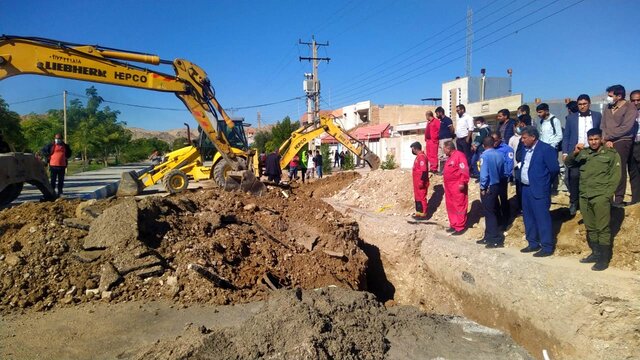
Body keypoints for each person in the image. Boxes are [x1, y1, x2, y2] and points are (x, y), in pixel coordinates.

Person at [564, 128, 620, 271]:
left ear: (601, 139)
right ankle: (596, 253)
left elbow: (616, 176)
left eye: (596, 139)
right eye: (591, 139)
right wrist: (575, 152)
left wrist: (608, 194)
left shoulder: (610, 154)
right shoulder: (584, 153)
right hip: (585, 196)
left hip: (601, 196)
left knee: (602, 228)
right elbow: (569, 163)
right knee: (591, 227)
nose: (593, 142)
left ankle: (604, 259)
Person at [519, 127, 560, 257]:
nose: (522, 140)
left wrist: (545, 182)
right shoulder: (526, 149)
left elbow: (554, 169)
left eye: (524, 138)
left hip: (539, 188)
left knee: (542, 218)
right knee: (528, 216)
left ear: (533, 137)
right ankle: (532, 243)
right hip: (526, 188)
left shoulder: (546, 149)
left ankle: (547, 246)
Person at [561, 94, 602, 215]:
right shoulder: (571, 118)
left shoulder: (597, 116)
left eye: (584, 104)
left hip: (593, 151)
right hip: (577, 152)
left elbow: (601, 132)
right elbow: (567, 136)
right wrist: (565, 153)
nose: (582, 106)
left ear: (589, 104)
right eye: (580, 104)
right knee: (574, 176)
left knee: (592, 177)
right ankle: (574, 201)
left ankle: (591, 202)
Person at [602, 84, 638, 207]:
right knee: (608, 170)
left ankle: (619, 198)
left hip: (623, 140)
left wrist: (609, 137)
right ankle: (608, 197)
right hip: (607, 141)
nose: (608, 98)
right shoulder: (607, 107)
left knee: (619, 168)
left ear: (619, 96)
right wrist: (605, 139)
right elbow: (603, 125)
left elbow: (626, 127)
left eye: (610, 95)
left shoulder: (630, 107)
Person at [478, 136, 504, 248]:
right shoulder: (499, 154)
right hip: (497, 184)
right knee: (492, 211)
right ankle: (488, 236)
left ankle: (494, 239)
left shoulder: (484, 156)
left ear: (484, 146)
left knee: (489, 212)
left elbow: (484, 174)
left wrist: (483, 187)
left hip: (488, 186)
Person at [442, 140, 469, 235]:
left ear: (448, 148)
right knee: (450, 205)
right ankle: (453, 224)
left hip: (457, 185)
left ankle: (460, 226)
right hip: (449, 186)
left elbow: (464, 169)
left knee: (459, 205)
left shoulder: (459, 156)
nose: (443, 150)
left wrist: (462, 182)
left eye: (444, 148)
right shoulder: (450, 157)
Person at [491, 131, 514, 228]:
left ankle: (506, 220)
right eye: (493, 141)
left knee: (503, 198)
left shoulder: (507, 149)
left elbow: (510, 163)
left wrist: (507, 175)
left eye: (496, 141)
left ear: (500, 139)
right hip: (493, 178)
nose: (494, 143)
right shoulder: (491, 148)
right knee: (494, 199)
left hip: (502, 178)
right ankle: (498, 220)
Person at [627, 90, 640, 204]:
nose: (636, 102)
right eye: (633, 100)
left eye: (638, 100)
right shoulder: (627, 113)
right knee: (633, 173)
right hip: (631, 146)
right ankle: (636, 201)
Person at [410, 142, 429, 220]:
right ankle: (418, 213)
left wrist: (421, 181)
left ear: (415, 148)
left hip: (421, 181)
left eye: (412, 149)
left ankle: (424, 214)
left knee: (421, 197)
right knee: (417, 198)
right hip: (416, 182)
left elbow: (424, 171)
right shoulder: (418, 157)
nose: (412, 150)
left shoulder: (421, 157)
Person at [436, 106, 455, 172]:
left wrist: (451, 136)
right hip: (441, 140)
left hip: (446, 139)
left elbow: (452, 129)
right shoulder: (441, 121)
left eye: (437, 114)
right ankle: (442, 170)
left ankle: (446, 170)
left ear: (441, 113)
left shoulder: (447, 120)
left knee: (446, 155)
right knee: (440, 155)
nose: (436, 115)